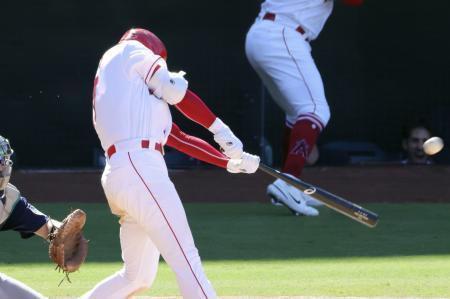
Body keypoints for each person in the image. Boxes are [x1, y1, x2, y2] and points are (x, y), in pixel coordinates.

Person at [84, 28, 260, 299]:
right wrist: (221, 129)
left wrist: (228, 162)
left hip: (123, 173)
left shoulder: (125, 89)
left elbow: (179, 138)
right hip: (140, 168)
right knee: (187, 261)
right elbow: (174, 89)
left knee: (136, 277)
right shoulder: (130, 50)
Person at [245, 0, 362, 216]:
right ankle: (289, 183)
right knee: (316, 110)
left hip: (262, 33)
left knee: (296, 112)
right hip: (282, 34)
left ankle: (290, 186)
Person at [0, 135, 58, 299]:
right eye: (0, 161)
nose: (4, 165)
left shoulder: (7, 200)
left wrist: (64, 235)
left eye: (4, 160)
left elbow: (46, 226)